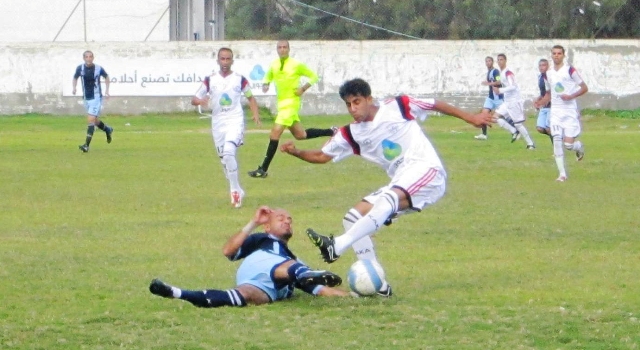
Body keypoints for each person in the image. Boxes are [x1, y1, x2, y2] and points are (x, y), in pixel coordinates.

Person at [280, 78, 493, 294]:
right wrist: (296, 152)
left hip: (428, 171)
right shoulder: (351, 133)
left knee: (388, 198)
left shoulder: (398, 106)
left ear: (369, 99)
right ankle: (378, 283)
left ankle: (338, 245)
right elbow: (321, 155)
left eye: (357, 102)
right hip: (401, 181)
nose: (353, 109)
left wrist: (472, 118)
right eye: (348, 104)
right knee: (353, 217)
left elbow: (435, 104)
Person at [149, 206, 349, 308]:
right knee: (294, 268)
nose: (287, 221)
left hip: (267, 289)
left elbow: (321, 290)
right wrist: (253, 222)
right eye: (280, 218)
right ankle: (303, 275)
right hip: (261, 272)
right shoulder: (263, 239)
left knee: (244, 296)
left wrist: (355, 295)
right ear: (268, 226)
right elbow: (228, 251)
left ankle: (176, 293)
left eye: (289, 220)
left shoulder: (294, 259)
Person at [248, 40, 335, 178]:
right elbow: (268, 76)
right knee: (300, 135)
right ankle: (332, 131)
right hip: (281, 104)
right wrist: (265, 84)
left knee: (275, 133)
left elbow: (314, 76)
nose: (282, 50)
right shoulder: (274, 64)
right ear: (277, 49)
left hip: (291, 103)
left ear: (289, 49)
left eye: (284, 47)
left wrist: (303, 88)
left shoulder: (296, 64)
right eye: (279, 47)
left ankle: (263, 169)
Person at [191, 47, 261, 208]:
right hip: (218, 123)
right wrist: (200, 101)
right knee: (225, 160)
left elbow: (251, 98)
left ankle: (235, 191)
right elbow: (194, 99)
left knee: (229, 152)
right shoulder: (210, 80)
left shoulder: (240, 79)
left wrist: (255, 114)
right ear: (218, 60)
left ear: (232, 61)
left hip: (235, 120)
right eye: (222, 59)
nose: (225, 62)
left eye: (228, 59)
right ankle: (237, 188)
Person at [539, 45, 588, 182]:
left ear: (563, 55)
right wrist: (541, 102)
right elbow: (549, 93)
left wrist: (571, 96)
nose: (556, 55)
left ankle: (578, 147)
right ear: (551, 55)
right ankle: (562, 174)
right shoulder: (548, 74)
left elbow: (584, 87)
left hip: (569, 111)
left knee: (568, 145)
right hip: (555, 112)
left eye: (559, 53)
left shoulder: (570, 70)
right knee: (556, 140)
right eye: (554, 53)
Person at [492, 53, 536, 149]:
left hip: (514, 101)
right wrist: (493, 84)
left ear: (505, 61)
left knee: (518, 124)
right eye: (498, 60)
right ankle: (514, 131)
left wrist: (500, 90)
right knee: (494, 117)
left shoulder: (508, 73)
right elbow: (499, 82)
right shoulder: (500, 72)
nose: (500, 61)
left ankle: (530, 144)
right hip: (506, 101)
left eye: (501, 59)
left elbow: (513, 86)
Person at [72, 50, 113, 153]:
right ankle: (107, 129)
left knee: (90, 120)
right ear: (84, 58)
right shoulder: (80, 68)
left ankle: (86, 145)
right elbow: (75, 77)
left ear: (93, 58)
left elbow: (107, 77)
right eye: (86, 57)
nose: (88, 58)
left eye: (90, 57)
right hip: (86, 98)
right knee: (94, 120)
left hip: (96, 97)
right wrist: (74, 87)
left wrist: (107, 90)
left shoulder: (98, 68)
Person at [475, 56, 508, 140]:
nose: (488, 63)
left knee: (505, 116)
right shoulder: (489, 71)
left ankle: (516, 129)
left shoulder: (495, 71)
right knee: (484, 114)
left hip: (498, 98)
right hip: (490, 97)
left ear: (492, 62)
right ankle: (484, 134)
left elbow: (499, 82)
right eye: (486, 61)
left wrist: (488, 83)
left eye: (489, 61)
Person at [533, 58, 552, 142]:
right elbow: (543, 92)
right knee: (540, 128)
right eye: (540, 65)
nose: (541, 67)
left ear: (548, 66)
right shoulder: (540, 77)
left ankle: (557, 149)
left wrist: (543, 101)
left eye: (543, 65)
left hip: (552, 106)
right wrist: (538, 99)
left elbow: (551, 92)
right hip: (544, 106)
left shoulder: (550, 76)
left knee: (549, 128)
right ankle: (558, 137)